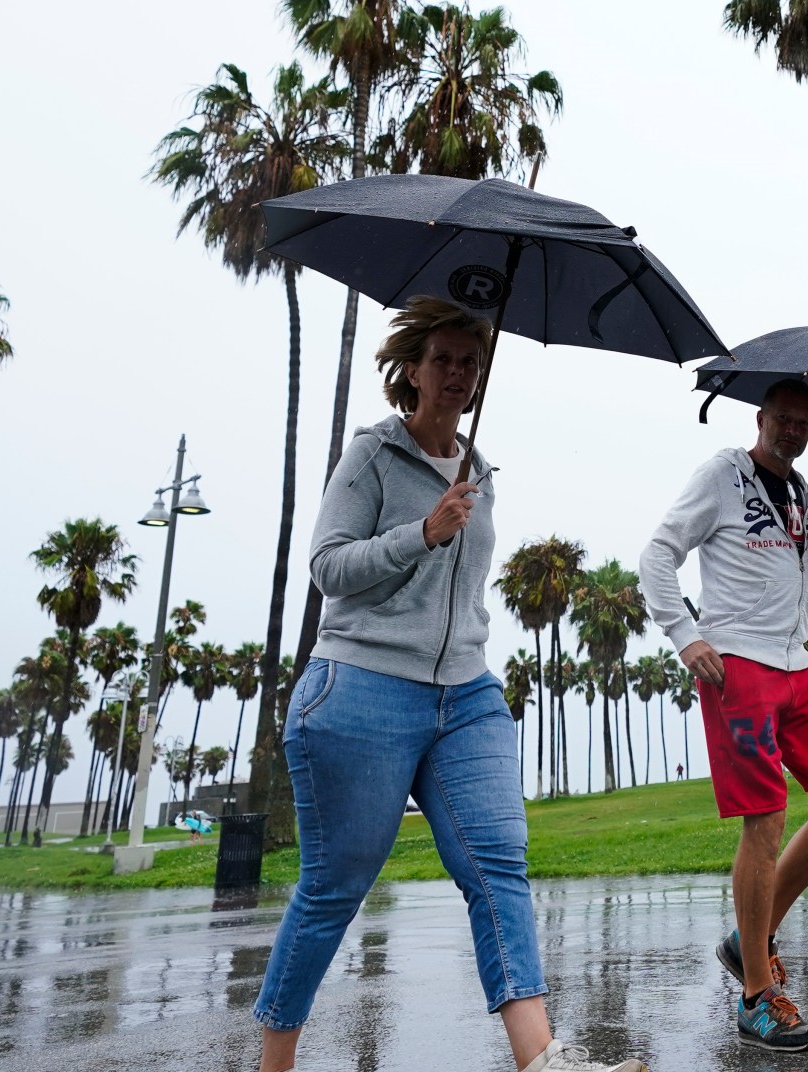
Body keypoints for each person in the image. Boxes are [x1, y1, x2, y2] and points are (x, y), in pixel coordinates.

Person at [252, 296, 642, 1072]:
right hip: (361, 685)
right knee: (335, 887)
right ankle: (275, 1065)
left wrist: (452, 525)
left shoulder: (480, 473)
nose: (458, 373)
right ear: (412, 370)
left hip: (465, 694)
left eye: (471, 361)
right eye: (443, 360)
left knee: (497, 862)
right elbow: (328, 567)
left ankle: (541, 1059)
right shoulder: (372, 456)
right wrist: (419, 533)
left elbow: (460, 594)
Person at [639, 378, 808, 1054]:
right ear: (761, 419)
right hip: (737, 665)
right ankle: (757, 998)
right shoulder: (721, 475)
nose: (793, 430)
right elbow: (658, 555)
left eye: (805, 422)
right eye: (784, 418)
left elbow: (804, 590)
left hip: (796, 665)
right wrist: (686, 635)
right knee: (764, 821)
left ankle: (747, 940)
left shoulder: (803, 492)